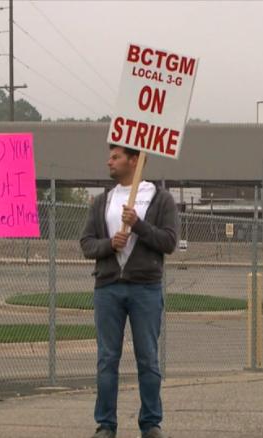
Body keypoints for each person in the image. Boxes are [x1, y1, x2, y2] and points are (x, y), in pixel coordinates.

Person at [80, 145, 178, 438]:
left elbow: (169, 241)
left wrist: (138, 225)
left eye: (116, 156)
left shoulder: (161, 199)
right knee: (107, 358)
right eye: (109, 155)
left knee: (148, 358)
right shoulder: (102, 202)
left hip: (145, 287)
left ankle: (150, 423)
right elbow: (86, 243)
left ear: (134, 160)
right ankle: (105, 424)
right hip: (108, 287)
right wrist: (109, 245)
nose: (109, 160)